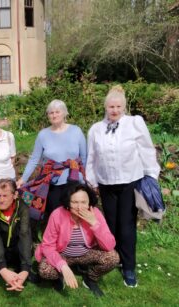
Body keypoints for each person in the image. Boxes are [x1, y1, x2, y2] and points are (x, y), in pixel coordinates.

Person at [86, 85, 160, 288]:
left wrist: (151, 174)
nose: (115, 110)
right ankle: (112, 259)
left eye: (118, 106)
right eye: (111, 106)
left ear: (124, 107)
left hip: (130, 182)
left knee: (127, 227)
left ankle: (128, 267)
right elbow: (91, 157)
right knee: (110, 225)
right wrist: (92, 182)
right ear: (105, 107)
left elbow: (146, 149)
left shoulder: (134, 123)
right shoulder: (96, 129)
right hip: (106, 184)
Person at [35, 183, 119, 297]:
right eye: (75, 202)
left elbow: (109, 246)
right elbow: (47, 246)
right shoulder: (57, 214)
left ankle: (90, 279)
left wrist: (94, 223)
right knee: (45, 270)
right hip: (63, 254)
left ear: (89, 202)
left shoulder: (95, 213)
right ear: (68, 202)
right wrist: (62, 266)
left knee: (113, 258)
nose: (80, 207)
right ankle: (58, 278)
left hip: (86, 253)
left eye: (83, 202)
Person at [17, 100, 87, 220]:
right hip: (52, 183)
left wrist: (87, 178)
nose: (54, 115)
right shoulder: (43, 135)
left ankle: (75, 239)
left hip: (74, 181)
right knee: (56, 216)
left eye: (57, 112)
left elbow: (85, 157)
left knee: (75, 216)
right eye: (51, 113)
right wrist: (23, 179)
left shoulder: (76, 131)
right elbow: (34, 159)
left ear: (64, 113)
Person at [0, 179, 32, 291]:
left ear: (15, 195)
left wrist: (25, 268)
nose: (1, 200)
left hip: (15, 244)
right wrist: (2, 268)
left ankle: (23, 270)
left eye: (5, 196)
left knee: (26, 241)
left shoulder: (23, 208)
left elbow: (25, 235)